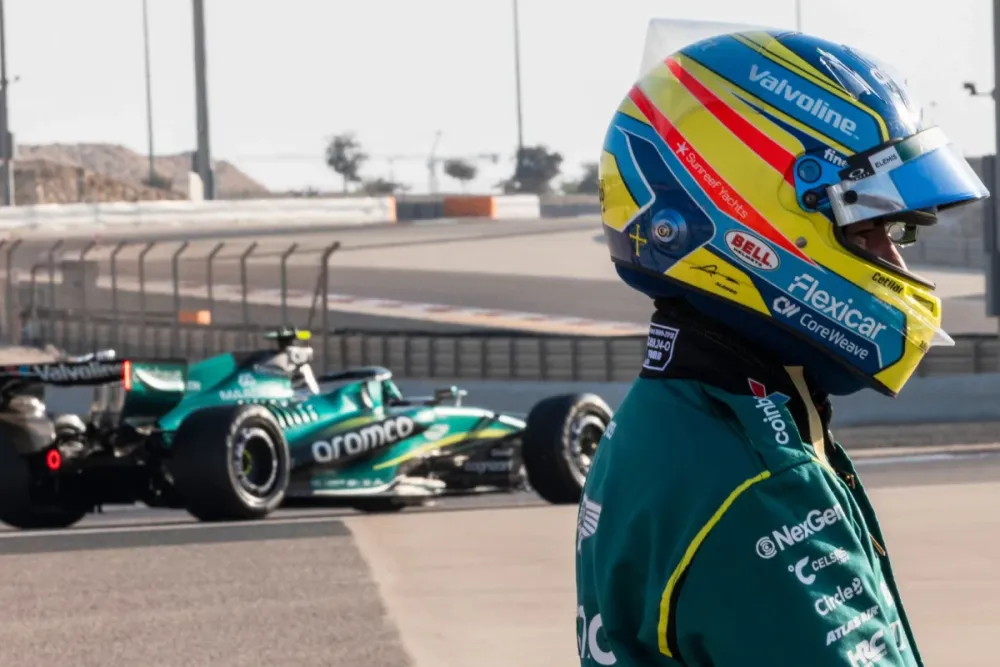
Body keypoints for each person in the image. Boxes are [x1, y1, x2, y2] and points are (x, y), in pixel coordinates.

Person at [575, 29, 989, 667]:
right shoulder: (761, 481)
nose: (896, 260)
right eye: (873, 227)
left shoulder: (668, 415)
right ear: (756, 222)